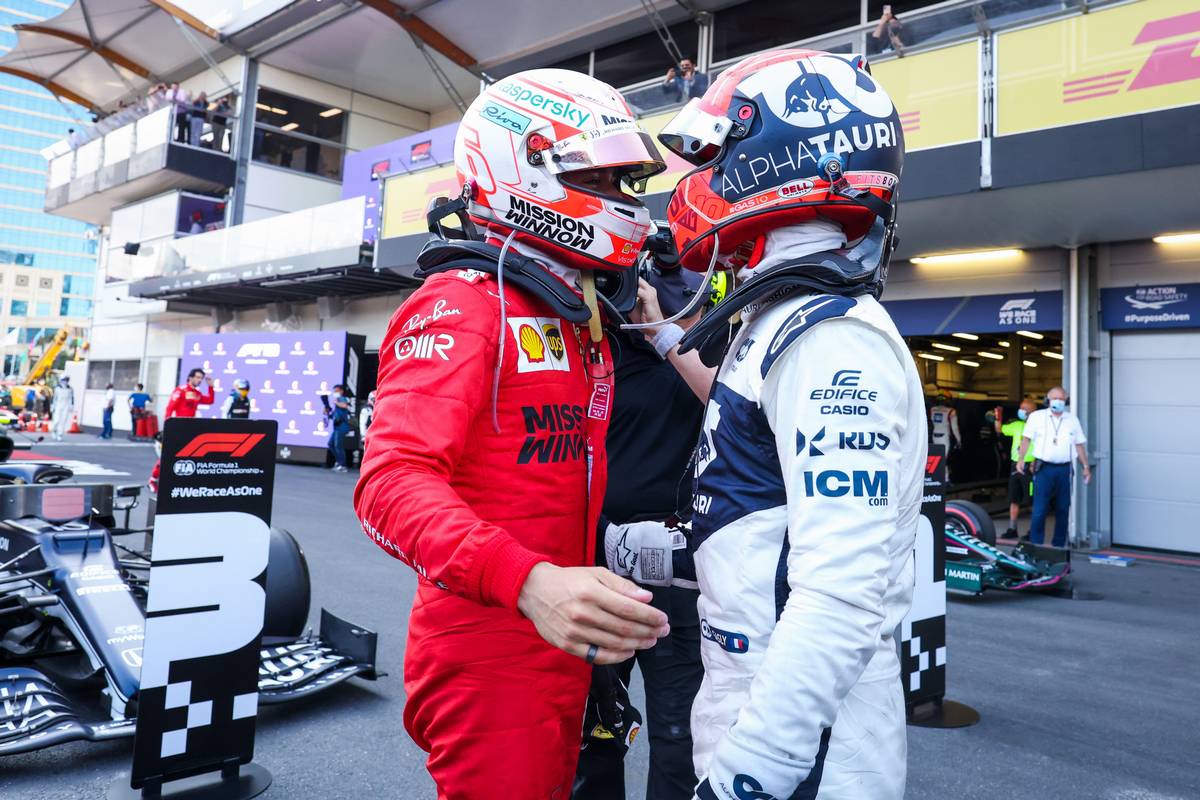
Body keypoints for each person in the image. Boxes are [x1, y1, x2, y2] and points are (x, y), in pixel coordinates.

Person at [353, 68, 671, 799]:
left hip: (565, 639)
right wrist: (527, 581)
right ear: (526, 166)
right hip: (491, 652)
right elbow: (388, 485)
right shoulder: (462, 304)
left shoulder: (570, 313)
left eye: (630, 178)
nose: (628, 199)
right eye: (607, 175)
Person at [653, 48, 923, 799]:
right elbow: (764, 510)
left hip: (803, 751)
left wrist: (751, 779)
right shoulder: (786, 316)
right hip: (761, 708)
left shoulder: (830, 335)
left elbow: (839, 593)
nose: (694, 180)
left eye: (714, 155)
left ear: (777, 158)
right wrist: (641, 551)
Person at [573, 254, 716, 800]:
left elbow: (744, 411)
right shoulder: (597, 358)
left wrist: (665, 332)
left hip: (679, 576)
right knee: (597, 732)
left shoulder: (711, 362)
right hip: (603, 569)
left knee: (680, 740)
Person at [1017, 386, 1091, 548]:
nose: (1058, 401)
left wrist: (1085, 466)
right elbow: (1026, 439)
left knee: (1063, 508)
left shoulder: (1072, 420)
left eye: (1062, 399)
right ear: (1047, 401)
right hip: (1043, 469)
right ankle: (1036, 544)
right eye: (1055, 398)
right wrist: (1021, 459)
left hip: (1065, 469)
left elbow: (1079, 445)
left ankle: (1058, 545)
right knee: (1039, 509)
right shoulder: (1037, 417)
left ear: (1066, 402)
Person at [149, 367, 214, 492]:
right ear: (190, 377)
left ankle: (175, 480)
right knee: (166, 455)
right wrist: (168, 426)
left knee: (186, 456)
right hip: (177, 429)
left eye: (201, 378)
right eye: (197, 377)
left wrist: (211, 387)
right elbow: (170, 408)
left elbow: (210, 400)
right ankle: (152, 479)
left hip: (189, 430)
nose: (199, 380)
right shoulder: (181, 390)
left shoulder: (197, 393)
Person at [995, 397, 1037, 539]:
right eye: (1021, 408)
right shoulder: (1017, 425)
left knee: (1032, 501)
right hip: (1015, 465)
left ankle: (1033, 531)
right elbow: (999, 429)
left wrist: (1035, 462)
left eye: (1025, 409)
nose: (1021, 411)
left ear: (1032, 412)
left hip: (1031, 466)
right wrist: (998, 417)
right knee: (1014, 499)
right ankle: (1012, 529)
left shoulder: (1038, 427)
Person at [326, 384, 352, 472]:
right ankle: (339, 462)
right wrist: (328, 412)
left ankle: (343, 465)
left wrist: (336, 402)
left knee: (338, 446)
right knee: (331, 444)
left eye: (337, 391)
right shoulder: (337, 401)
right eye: (334, 391)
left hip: (342, 426)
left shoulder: (342, 398)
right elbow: (334, 415)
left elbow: (345, 405)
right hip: (337, 427)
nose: (335, 393)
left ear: (341, 391)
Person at [50, 377, 74, 441]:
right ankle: (54, 431)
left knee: (63, 421)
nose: (65, 382)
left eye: (66, 380)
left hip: (66, 406)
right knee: (56, 420)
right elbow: (54, 398)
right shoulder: (57, 388)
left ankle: (59, 434)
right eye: (64, 380)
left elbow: (71, 398)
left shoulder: (70, 389)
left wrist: (71, 406)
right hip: (58, 405)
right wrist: (52, 406)